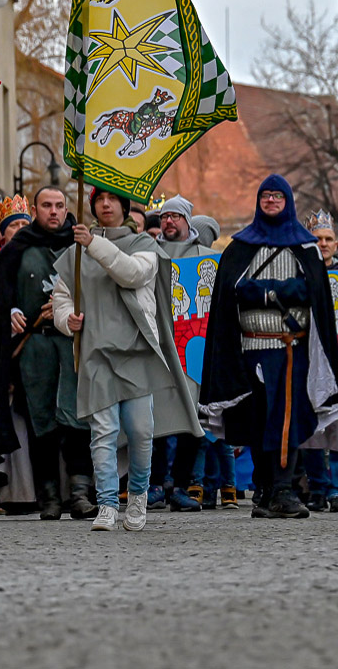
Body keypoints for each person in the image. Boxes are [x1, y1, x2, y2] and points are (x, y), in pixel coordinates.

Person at [199, 175, 338, 519]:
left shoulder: (306, 248)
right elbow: (233, 293)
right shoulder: (239, 248)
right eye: (265, 196)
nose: (271, 201)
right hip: (250, 348)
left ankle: (284, 488)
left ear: (288, 201)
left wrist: (264, 291)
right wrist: (281, 291)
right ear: (258, 201)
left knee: (289, 417)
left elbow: (311, 294)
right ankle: (266, 487)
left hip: (292, 349)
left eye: (277, 196)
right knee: (257, 419)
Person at [50, 188, 203, 532]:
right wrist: (66, 320)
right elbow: (62, 296)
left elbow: (130, 273)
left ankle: (137, 495)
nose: (105, 204)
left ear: (123, 205)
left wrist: (92, 245)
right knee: (102, 432)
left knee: (140, 431)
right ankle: (106, 504)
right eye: (99, 199)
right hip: (96, 352)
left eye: (112, 199)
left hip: (137, 351)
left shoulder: (145, 247)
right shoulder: (76, 252)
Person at [0, 185, 96, 522]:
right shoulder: (18, 249)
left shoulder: (80, 246)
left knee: (77, 417)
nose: (54, 211)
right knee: (42, 423)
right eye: (47, 205)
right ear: (35, 209)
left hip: (73, 343)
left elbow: (99, 291)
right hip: (34, 346)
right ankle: (48, 496)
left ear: (67, 209)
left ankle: (80, 494)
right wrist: (8, 311)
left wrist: (72, 309)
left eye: (59, 205)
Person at [152, 195, 216, 512]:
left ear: (187, 221)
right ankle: (154, 484)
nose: (169, 221)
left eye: (176, 216)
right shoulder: (148, 254)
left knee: (192, 420)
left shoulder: (207, 258)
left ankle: (179, 485)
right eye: (165, 216)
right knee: (156, 420)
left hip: (194, 349)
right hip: (159, 348)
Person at [300, 208, 338, 512]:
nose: (323, 243)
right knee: (312, 429)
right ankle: (318, 488)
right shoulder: (299, 276)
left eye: (328, 239)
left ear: (336, 245)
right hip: (310, 363)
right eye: (317, 238)